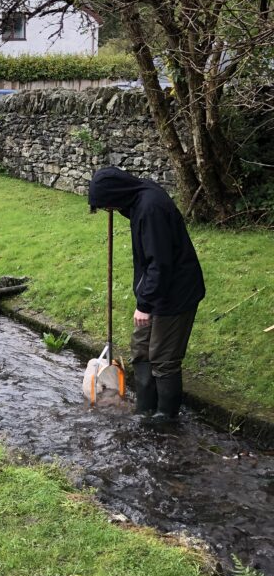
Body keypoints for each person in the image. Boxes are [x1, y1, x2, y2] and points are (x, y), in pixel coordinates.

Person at [88, 166, 205, 419]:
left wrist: (145, 304)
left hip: (175, 293)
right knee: (141, 349)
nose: (111, 212)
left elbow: (159, 263)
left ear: (116, 195)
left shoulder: (151, 209)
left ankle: (165, 421)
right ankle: (144, 411)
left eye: (109, 207)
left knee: (163, 359)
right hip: (157, 290)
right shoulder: (138, 200)